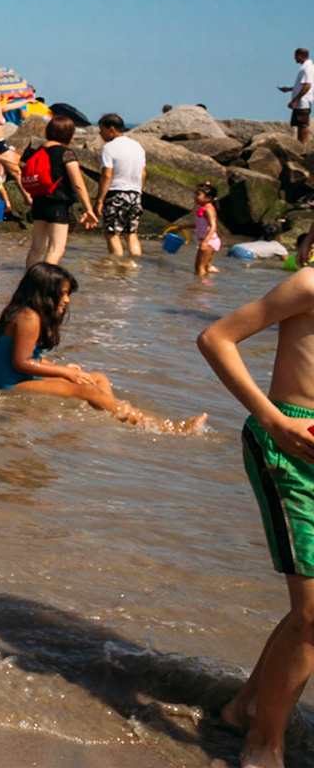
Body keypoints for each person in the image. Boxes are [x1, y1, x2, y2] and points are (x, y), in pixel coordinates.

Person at [197, 228, 314, 768]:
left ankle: (245, 709)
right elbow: (216, 337)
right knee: (313, 612)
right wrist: (270, 418)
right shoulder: (310, 283)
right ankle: (264, 744)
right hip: (287, 447)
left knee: (310, 614)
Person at [0, 263, 203, 430]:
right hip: (11, 384)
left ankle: (115, 415)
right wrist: (63, 372)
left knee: (99, 378)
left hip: (23, 377)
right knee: (88, 389)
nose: (67, 300)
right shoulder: (29, 318)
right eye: (62, 294)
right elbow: (21, 362)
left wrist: (62, 369)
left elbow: (30, 356)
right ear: (44, 293)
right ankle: (161, 426)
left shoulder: (29, 314)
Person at [21, 114, 96, 266]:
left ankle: (28, 282)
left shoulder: (38, 151)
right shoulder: (66, 154)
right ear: (69, 134)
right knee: (56, 249)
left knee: (36, 248)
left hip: (39, 201)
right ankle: (43, 283)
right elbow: (78, 184)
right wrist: (89, 209)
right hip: (58, 204)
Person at [96, 113, 146, 257]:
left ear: (111, 129)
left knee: (112, 233)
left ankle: (117, 268)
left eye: (102, 129)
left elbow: (107, 175)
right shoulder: (137, 146)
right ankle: (134, 266)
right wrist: (138, 192)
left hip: (116, 193)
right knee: (131, 233)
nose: (100, 133)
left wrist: (99, 201)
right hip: (135, 194)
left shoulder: (109, 148)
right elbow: (143, 173)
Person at [283, 48, 313, 148]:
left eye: (295, 56)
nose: (294, 58)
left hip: (303, 101)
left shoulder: (307, 68)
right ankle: (301, 146)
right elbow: (303, 85)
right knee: (301, 124)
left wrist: (295, 100)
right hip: (302, 101)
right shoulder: (306, 67)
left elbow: (308, 85)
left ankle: (302, 146)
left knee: (303, 125)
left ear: (300, 55)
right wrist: (290, 89)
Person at [196, 184, 224, 277]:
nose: (194, 196)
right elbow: (202, 225)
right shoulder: (204, 208)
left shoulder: (209, 209)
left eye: (198, 194)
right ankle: (211, 272)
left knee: (200, 268)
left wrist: (205, 242)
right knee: (203, 267)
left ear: (208, 198)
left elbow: (213, 227)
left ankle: (201, 289)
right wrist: (185, 226)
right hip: (208, 241)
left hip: (209, 242)